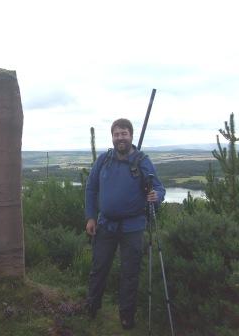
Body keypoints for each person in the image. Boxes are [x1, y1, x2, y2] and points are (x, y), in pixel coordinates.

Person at [85, 118, 165, 330]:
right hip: (105, 225)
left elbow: (159, 188)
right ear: (112, 137)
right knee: (98, 268)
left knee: (130, 274)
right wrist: (91, 217)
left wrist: (155, 196)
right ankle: (92, 307)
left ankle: (126, 316)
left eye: (124, 134)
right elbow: (91, 189)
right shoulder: (103, 160)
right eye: (117, 134)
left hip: (133, 227)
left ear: (131, 135)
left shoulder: (142, 161)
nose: (120, 138)